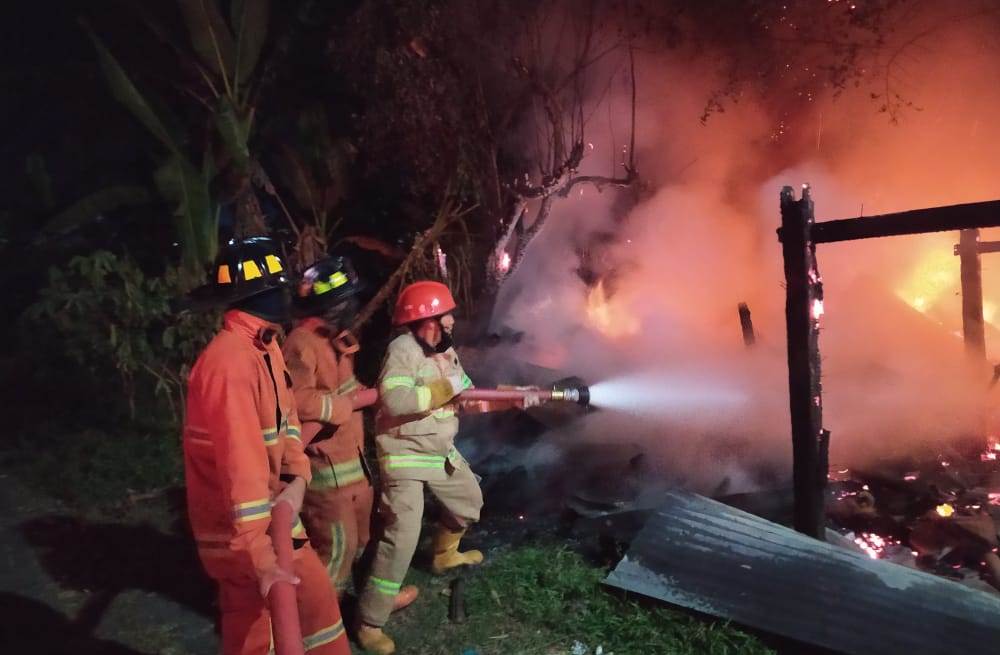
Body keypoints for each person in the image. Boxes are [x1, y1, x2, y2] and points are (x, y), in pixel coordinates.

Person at [182, 237, 349, 655]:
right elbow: (242, 470)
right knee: (257, 636)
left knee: (318, 608)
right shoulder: (230, 362)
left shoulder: (266, 345)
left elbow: (287, 422)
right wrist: (263, 563)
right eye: (279, 287)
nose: (287, 295)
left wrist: (297, 475)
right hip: (242, 538)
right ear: (261, 294)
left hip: (275, 515)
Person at [282, 256, 418, 610]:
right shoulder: (301, 342)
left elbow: (344, 386)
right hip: (326, 473)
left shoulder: (333, 338)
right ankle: (317, 618)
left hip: (353, 464)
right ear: (334, 304)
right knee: (336, 548)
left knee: (364, 539)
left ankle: (369, 602)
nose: (353, 305)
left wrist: (371, 396)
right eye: (348, 300)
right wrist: (353, 402)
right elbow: (297, 400)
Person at [354, 281, 482, 654]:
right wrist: (445, 390)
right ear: (428, 319)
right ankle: (369, 620)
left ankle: (443, 555)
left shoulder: (445, 351)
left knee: (469, 502)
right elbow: (395, 399)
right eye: (447, 315)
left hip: (440, 450)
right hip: (405, 455)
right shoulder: (402, 351)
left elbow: (467, 394)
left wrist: (510, 399)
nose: (453, 321)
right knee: (403, 536)